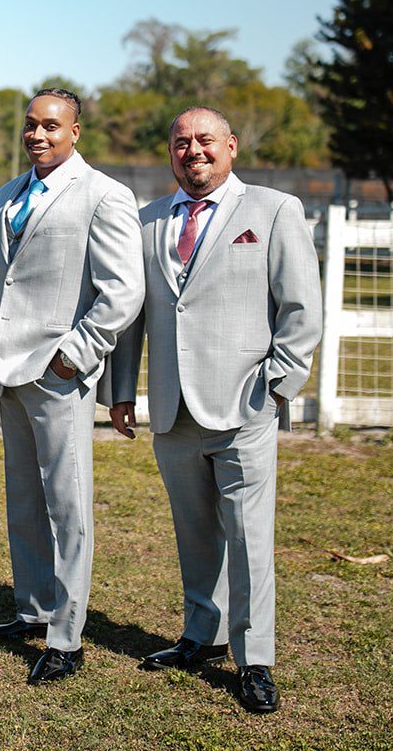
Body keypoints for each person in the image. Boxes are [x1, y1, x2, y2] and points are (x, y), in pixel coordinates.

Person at [102, 105, 321, 714]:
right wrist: (123, 392)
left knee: (249, 536)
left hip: (244, 402)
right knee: (194, 531)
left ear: (231, 146)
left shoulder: (274, 212)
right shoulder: (147, 223)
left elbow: (301, 308)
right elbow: (133, 318)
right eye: (180, 143)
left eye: (205, 141)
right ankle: (203, 634)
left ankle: (255, 659)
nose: (192, 151)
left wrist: (277, 385)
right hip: (172, 408)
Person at [0, 88, 144, 685]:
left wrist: (74, 356)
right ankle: (33, 610)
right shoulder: (5, 196)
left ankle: (66, 639)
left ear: (75, 132)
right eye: (30, 126)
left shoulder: (104, 195)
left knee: (68, 506)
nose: (38, 136)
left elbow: (121, 292)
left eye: (51, 126)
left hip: (60, 373)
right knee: (25, 502)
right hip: (11, 372)